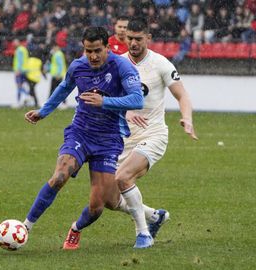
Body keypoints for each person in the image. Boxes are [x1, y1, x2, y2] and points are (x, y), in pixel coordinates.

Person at [66, 18, 198, 249]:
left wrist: (187, 118)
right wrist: (125, 114)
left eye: (139, 39)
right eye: (130, 38)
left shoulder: (161, 64)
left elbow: (183, 95)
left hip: (153, 134)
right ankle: (155, 216)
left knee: (124, 177)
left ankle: (143, 234)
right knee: (109, 200)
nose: (134, 43)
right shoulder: (116, 64)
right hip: (122, 138)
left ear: (148, 38)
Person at [22, 27, 144, 250]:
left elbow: (137, 99)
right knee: (60, 175)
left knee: (98, 206)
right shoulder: (78, 66)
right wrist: (43, 111)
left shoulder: (121, 66)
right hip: (81, 132)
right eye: (88, 51)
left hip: (108, 140)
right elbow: (63, 88)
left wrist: (104, 102)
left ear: (107, 47)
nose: (93, 56)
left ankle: (76, 228)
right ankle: (24, 227)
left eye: (97, 50)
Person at [48, 43, 67, 108]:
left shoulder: (57, 54)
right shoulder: (58, 54)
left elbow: (60, 65)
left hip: (57, 75)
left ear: (57, 47)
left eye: (54, 47)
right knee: (59, 90)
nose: (53, 49)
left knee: (54, 89)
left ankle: (48, 103)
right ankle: (63, 103)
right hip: (56, 75)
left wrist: (58, 74)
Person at [12, 38, 29, 107]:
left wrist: (18, 69)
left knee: (19, 86)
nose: (13, 44)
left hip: (20, 70)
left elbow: (20, 61)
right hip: (25, 70)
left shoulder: (19, 50)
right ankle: (22, 99)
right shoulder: (24, 49)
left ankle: (25, 97)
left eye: (14, 42)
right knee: (21, 86)